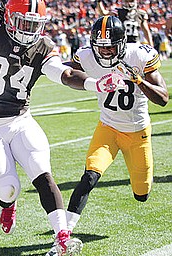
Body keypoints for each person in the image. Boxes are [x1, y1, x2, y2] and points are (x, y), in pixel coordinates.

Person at [0, 1, 127, 255]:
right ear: (9, 18)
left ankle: (62, 236)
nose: (27, 30)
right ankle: (8, 204)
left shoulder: (42, 46)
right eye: (23, 23)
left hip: (20, 120)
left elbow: (65, 74)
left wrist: (95, 84)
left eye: (33, 25)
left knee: (42, 173)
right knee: (7, 189)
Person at [64, 16, 168, 237]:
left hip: (138, 132)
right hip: (108, 128)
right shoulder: (86, 55)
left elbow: (163, 98)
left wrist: (138, 80)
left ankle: (141, 190)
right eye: (100, 47)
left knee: (142, 193)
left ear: (121, 43)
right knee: (90, 175)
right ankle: (64, 231)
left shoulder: (139, 55)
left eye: (110, 47)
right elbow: (66, 73)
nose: (105, 52)